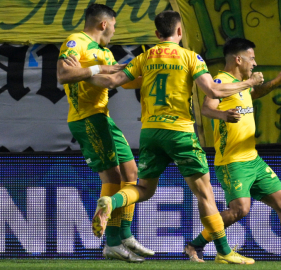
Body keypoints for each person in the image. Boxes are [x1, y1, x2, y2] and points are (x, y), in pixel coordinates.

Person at [70, 10, 264, 264]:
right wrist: (247, 84)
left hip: (150, 132)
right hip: (180, 132)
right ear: (180, 32)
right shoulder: (190, 57)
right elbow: (214, 90)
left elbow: (113, 81)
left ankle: (111, 200)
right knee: (205, 193)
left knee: (143, 189)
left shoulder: (145, 56)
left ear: (156, 34)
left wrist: (83, 72)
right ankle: (225, 252)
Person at [183, 37, 281, 263]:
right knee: (240, 210)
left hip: (253, 160)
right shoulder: (221, 81)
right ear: (238, 59)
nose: (255, 63)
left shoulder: (242, 84)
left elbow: (253, 94)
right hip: (232, 161)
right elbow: (207, 108)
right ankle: (194, 245)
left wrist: (277, 80)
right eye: (252, 58)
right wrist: (223, 115)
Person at [56, 4, 152, 262]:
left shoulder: (103, 52)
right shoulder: (77, 41)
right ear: (103, 24)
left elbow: (121, 78)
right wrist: (97, 70)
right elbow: (63, 74)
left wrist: (152, 73)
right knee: (112, 175)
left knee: (131, 173)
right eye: (114, 26)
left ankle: (124, 235)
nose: (113, 31)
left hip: (103, 118)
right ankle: (111, 242)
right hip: (86, 118)